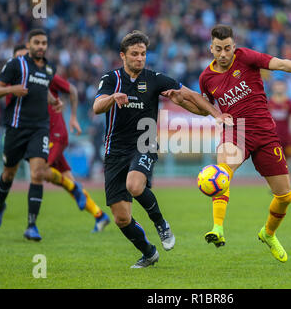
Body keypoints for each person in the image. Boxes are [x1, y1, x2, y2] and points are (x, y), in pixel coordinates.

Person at [162, 24, 291, 263]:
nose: (223, 54)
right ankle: (217, 228)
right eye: (218, 49)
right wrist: (180, 102)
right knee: (222, 173)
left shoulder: (246, 57)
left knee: (285, 197)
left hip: (265, 133)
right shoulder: (206, 77)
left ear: (234, 46)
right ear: (211, 48)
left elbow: (280, 63)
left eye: (227, 48)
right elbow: (205, 110)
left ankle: (268, 234)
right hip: (236, 130)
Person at [93, 30, 222, 268]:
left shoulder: (155, 79)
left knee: (134, 185)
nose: (140, 58)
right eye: (134, 54)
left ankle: (161, 223)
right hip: (114, 151)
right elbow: (96, 106)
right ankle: (149, 253)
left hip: (145, 144)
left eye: (143, 53)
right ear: (123, 55)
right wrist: (112, 98)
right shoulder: (111, 79)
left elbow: (190, 95)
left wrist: (215, 114)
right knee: (121, 218)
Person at [12, 45, 110, 233]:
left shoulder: (44, 76)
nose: (22, 61)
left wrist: (73, 117)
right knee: (67, 179)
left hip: (56, 135)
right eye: (18, 58)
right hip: (43, 136)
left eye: (25, 56)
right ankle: (99, 215)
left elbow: (71, 90)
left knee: (40, 171)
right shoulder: (18, 83)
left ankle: (71, 191)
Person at [0, 29, 62, 241]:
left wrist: (54, 101)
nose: (41, 46)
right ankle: (0, 204)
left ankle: (32, 225)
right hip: (16, 127)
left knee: (38, 172)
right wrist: (12, 88)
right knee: (8, 174)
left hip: (40, 128)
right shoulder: (16, 65)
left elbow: (43, 90)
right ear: (29, 45)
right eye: (37, 42)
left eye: (44, 43)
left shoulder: (49, 68)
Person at [268, 80, 291, 174]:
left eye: (281, 85)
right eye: (277, 85)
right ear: (273, 87)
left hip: (286, 137)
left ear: (285, 87)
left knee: (288, 160)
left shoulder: (290, 103)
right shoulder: (268, 103)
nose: (279, 87)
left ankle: (287, 183)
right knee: (273, 161)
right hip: (273, 137)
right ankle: (275, 184)